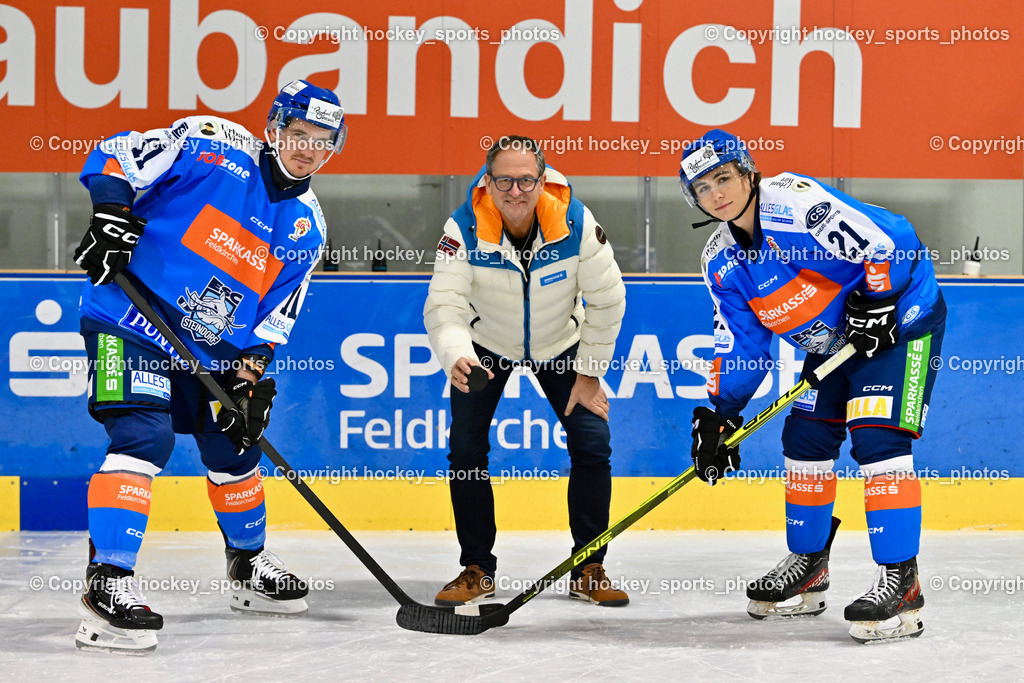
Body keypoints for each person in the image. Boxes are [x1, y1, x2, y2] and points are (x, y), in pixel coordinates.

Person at [72, 79, 347, 652]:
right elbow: (117, 155)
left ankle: (247, 568)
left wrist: (250, 378)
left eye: (323, 141)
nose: (307, 149)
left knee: (234, 448)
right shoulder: (211, 142)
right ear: (275, 127)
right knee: (143, 438)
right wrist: (112, 213)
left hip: (212, 350)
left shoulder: (309, 225)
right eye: (299, 134)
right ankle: (108, 586)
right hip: (132, 319)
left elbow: (276, 315)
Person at [679, 130, 945, 643]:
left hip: (902, 323)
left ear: (748, 173)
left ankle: (902, 581)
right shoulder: (720, 260)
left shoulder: (796, 203)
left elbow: (890, 240)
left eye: (724, 178)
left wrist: (879, 299)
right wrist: (720, 413)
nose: (717, 193)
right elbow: (742, 342)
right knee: (804, 438)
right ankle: (809, 564)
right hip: (834, 344)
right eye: (702, 188)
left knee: (878, 438)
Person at [424, 135, 629, 607]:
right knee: (465, 447)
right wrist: (457, 352)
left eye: (525, 180)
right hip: (487, 344)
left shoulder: (575, 223)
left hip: (560, 342)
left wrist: (590, 371)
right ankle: (477, 568)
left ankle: (589, 566)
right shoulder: (464, 227)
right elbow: (445, 304)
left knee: (593, 442)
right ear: (488, 182)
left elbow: (608, 298)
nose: (515, 192)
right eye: (504, 181)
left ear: (542, 180)